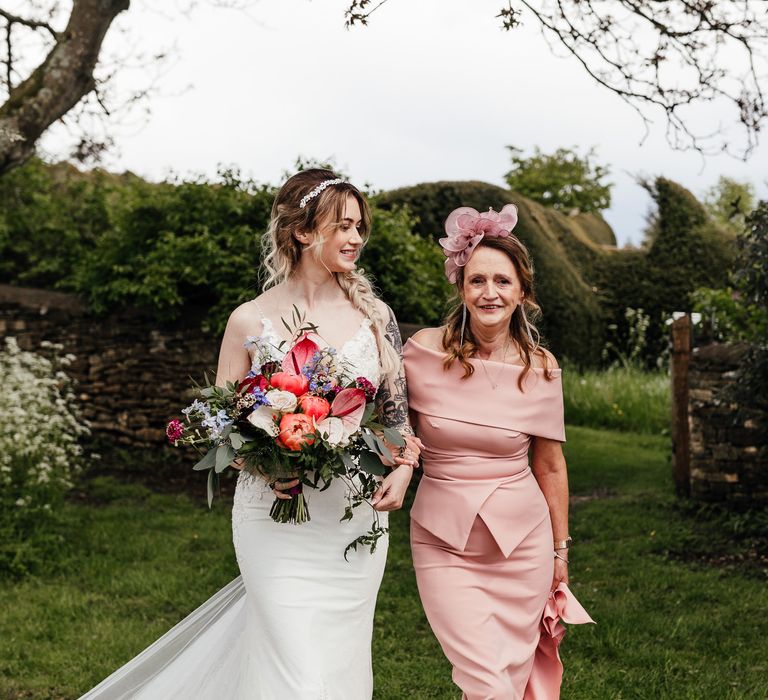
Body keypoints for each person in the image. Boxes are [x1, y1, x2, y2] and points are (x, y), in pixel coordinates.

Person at [80, 170, 420, 700]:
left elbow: (395, 417)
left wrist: (401, 471)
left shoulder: (375, 317)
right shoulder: (248, 321)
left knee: (338, 662)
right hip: (271, 518)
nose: (356, 238)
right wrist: (265, 463)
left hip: (353, 517)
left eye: (360, 227)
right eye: (343, 226)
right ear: (303, 232)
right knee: (295, 668)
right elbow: (221, 428)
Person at [403, 204, 593, 700]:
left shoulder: (541, 367)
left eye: (503, 282)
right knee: (487, 682)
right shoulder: (421, 353)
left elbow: (550, 465)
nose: (490, 293)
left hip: (523, 547)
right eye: (478, 280)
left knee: (507, 680)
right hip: (444, 543)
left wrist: (559, 551)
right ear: (461, 289)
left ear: (522, 292)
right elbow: (387, 424)